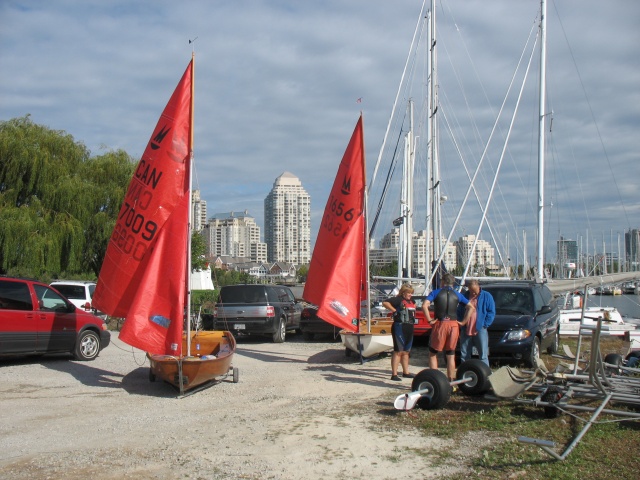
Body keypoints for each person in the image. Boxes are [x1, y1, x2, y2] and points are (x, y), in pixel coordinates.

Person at [422, 273, 474, 382]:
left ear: (442, 282)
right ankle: (451, 381)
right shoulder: (457, 294)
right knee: (450, 354)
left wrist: (429, 320)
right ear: (452, 282)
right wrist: (464, 322)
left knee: (433, 353)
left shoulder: (435, 292)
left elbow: (425, 305)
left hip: (440, 323)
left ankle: (435, 379)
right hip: (453, 324)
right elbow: (471, 307)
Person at [457, 279, 495, 367]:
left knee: (483, 354)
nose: (473, 293)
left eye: (475, 291)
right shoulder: (465, 296)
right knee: (465, 353)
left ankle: (485, 373)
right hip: (466, 328)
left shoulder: (486, 296)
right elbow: (459, 311)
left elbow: (491, 312)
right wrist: (461, 323)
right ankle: (465, 371)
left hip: (480, 328)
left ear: (479, 287)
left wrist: (485, 324)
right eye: (471, 291)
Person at [382, 284, 417, 381]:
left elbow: (414, 307)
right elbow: (385, 302)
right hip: (399, 327)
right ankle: (394, 374)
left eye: (411, 293)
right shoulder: (398, 299)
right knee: (398, 351)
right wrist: (394, 310)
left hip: (409, 327)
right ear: (403, 292)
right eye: (408, 293)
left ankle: (406, 372)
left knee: (406, 351)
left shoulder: (412, 301)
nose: (410, 294)